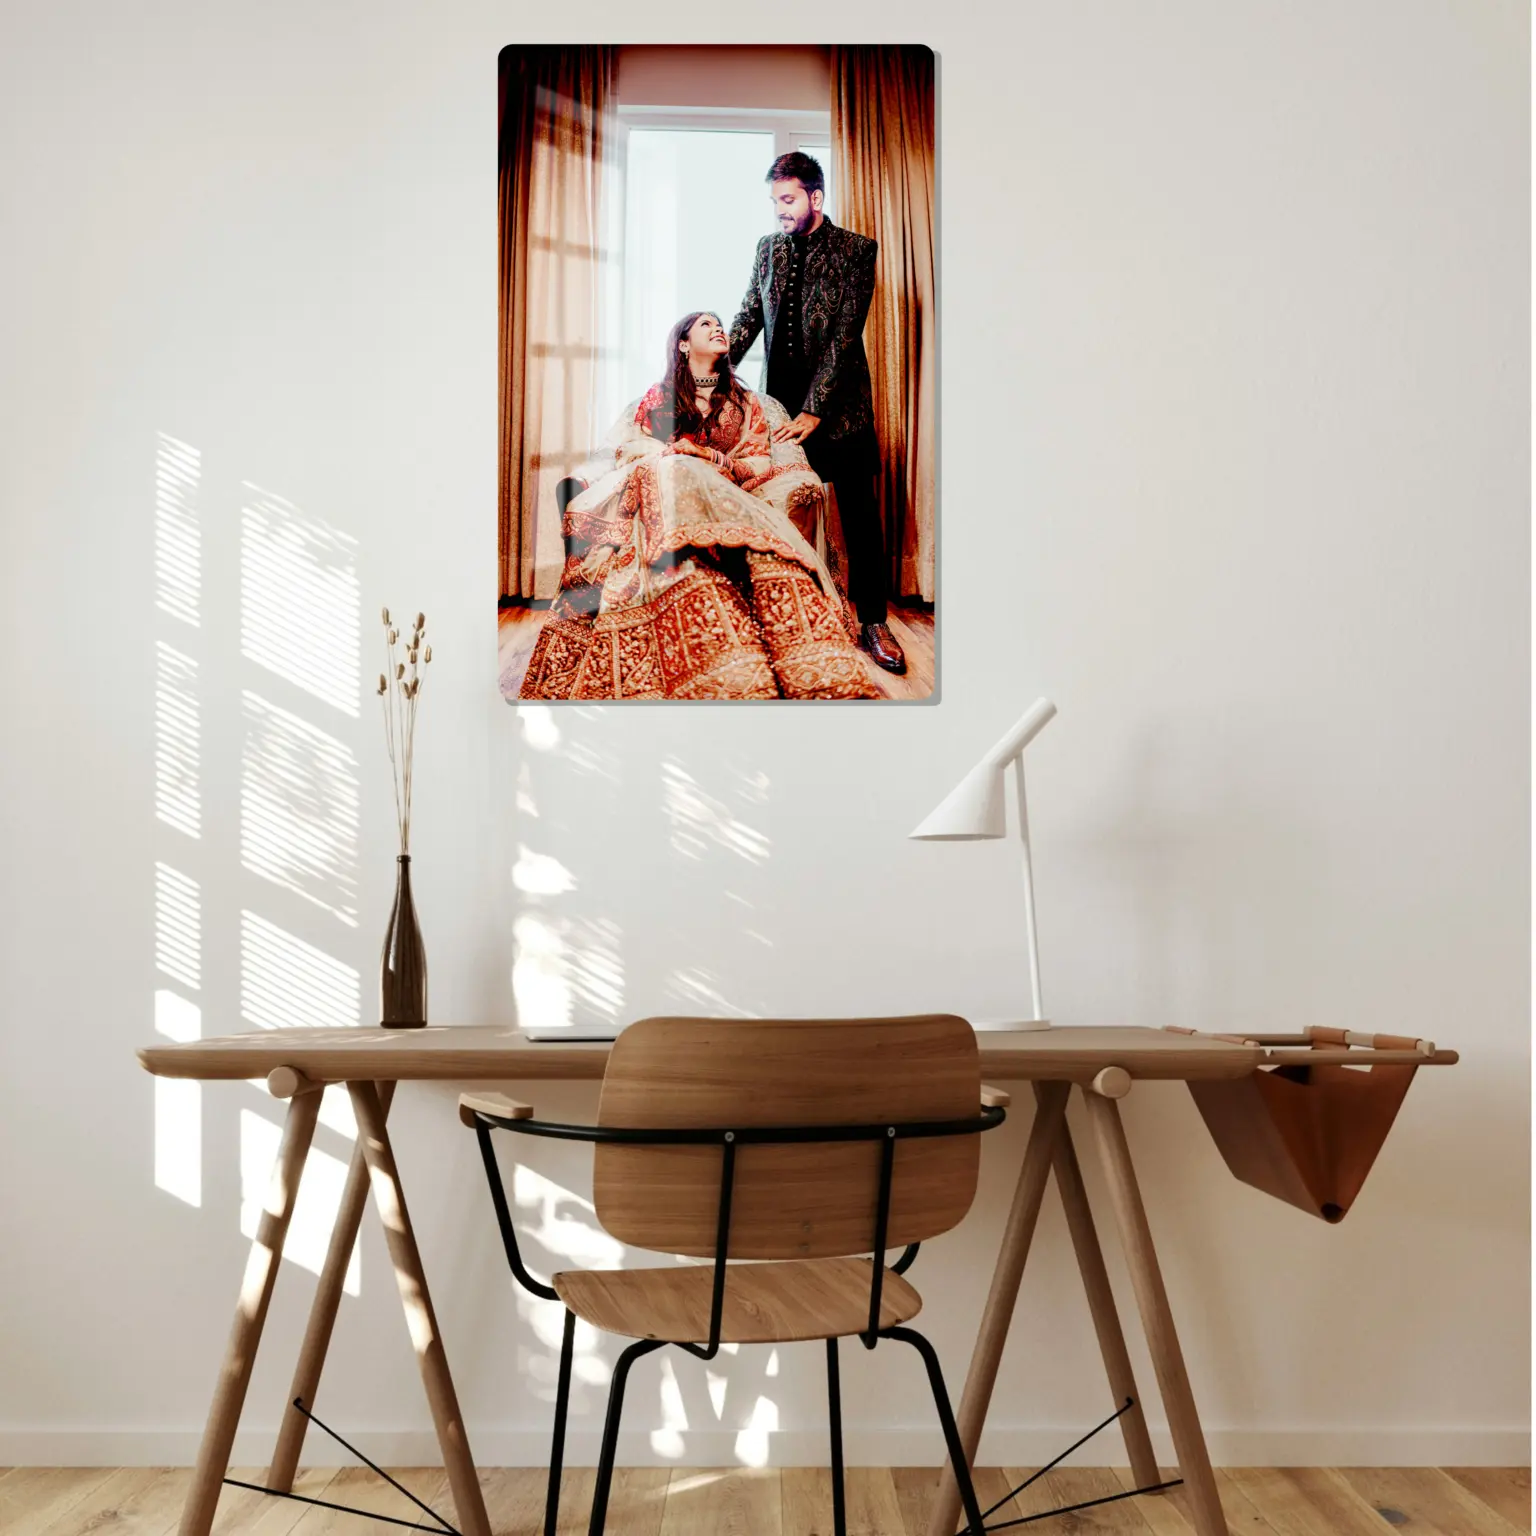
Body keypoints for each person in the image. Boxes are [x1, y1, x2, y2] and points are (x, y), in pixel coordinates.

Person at [518, 311, 879, 701]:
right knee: (671, 470)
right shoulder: (659, 398)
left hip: (723, 496)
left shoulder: (747, 404)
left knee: (687, 474)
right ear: (683, 344)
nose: (718, 328)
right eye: (705, 324)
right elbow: (631, 448)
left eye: (719, 323)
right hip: (663, 491)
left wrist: (707, 459)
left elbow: (759, 462)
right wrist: (677, 454)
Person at [727, 151, 906, 674]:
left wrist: (815, 410)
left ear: (815, 197)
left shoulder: (856, 251)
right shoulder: (767, 250)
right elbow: (747, 315)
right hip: (778, 411)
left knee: (860, 519)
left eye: (788, 200)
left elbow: (845, 338)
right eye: (774, 201)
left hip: (840, 410)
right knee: (779, 514)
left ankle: (873, 622)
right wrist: (707, 371)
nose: (780, 210)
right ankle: (790, 620)